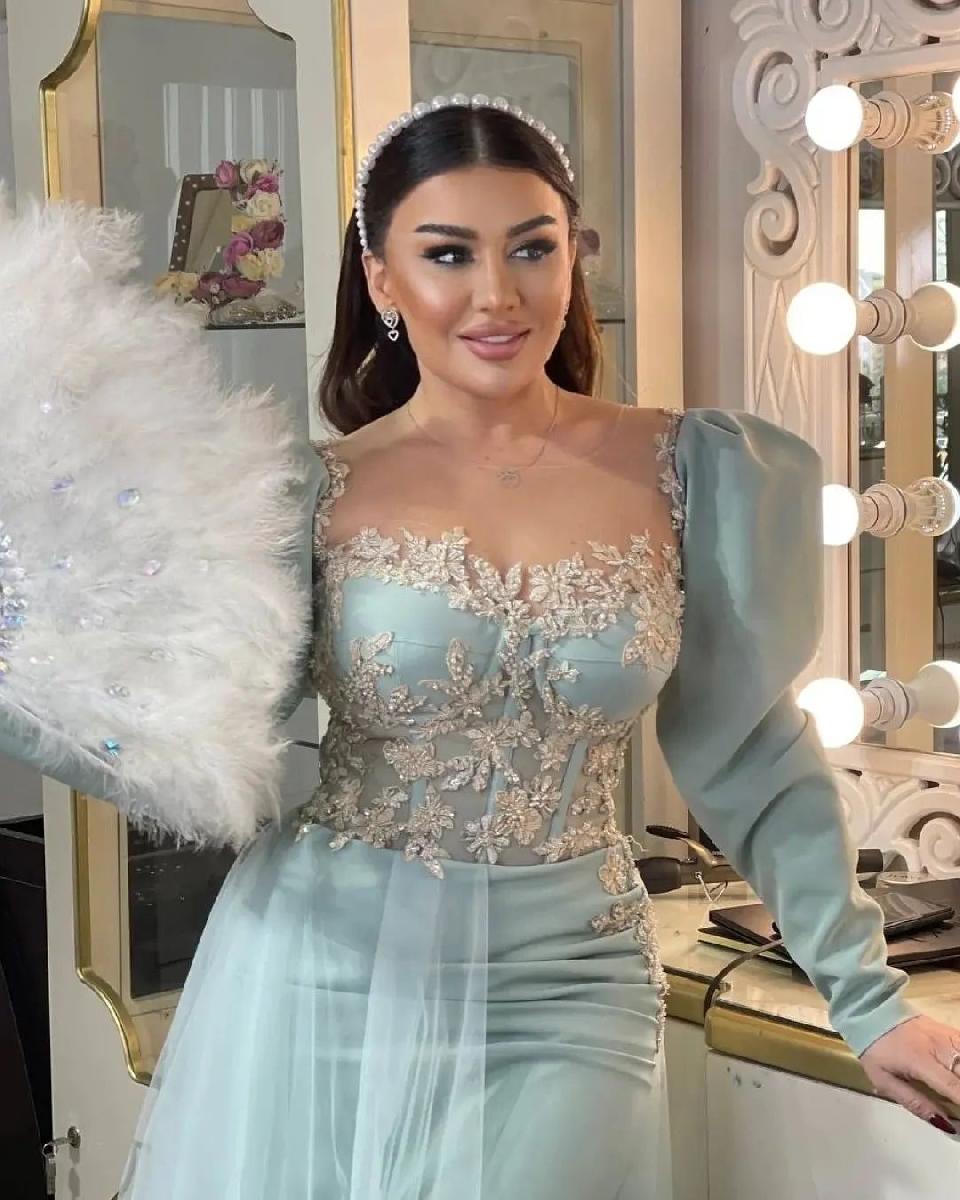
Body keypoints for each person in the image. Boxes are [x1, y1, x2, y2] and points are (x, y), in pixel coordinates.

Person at [2, 94, 960, 1199]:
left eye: (532, 249)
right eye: (448, 253)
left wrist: (867, 998)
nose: (497, 294)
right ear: (383, 280)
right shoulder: (305, 495)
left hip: (573, 976)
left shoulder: (700, 470)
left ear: (573, 259)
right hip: (327, 963)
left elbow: (750, 752)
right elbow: (202, 745)